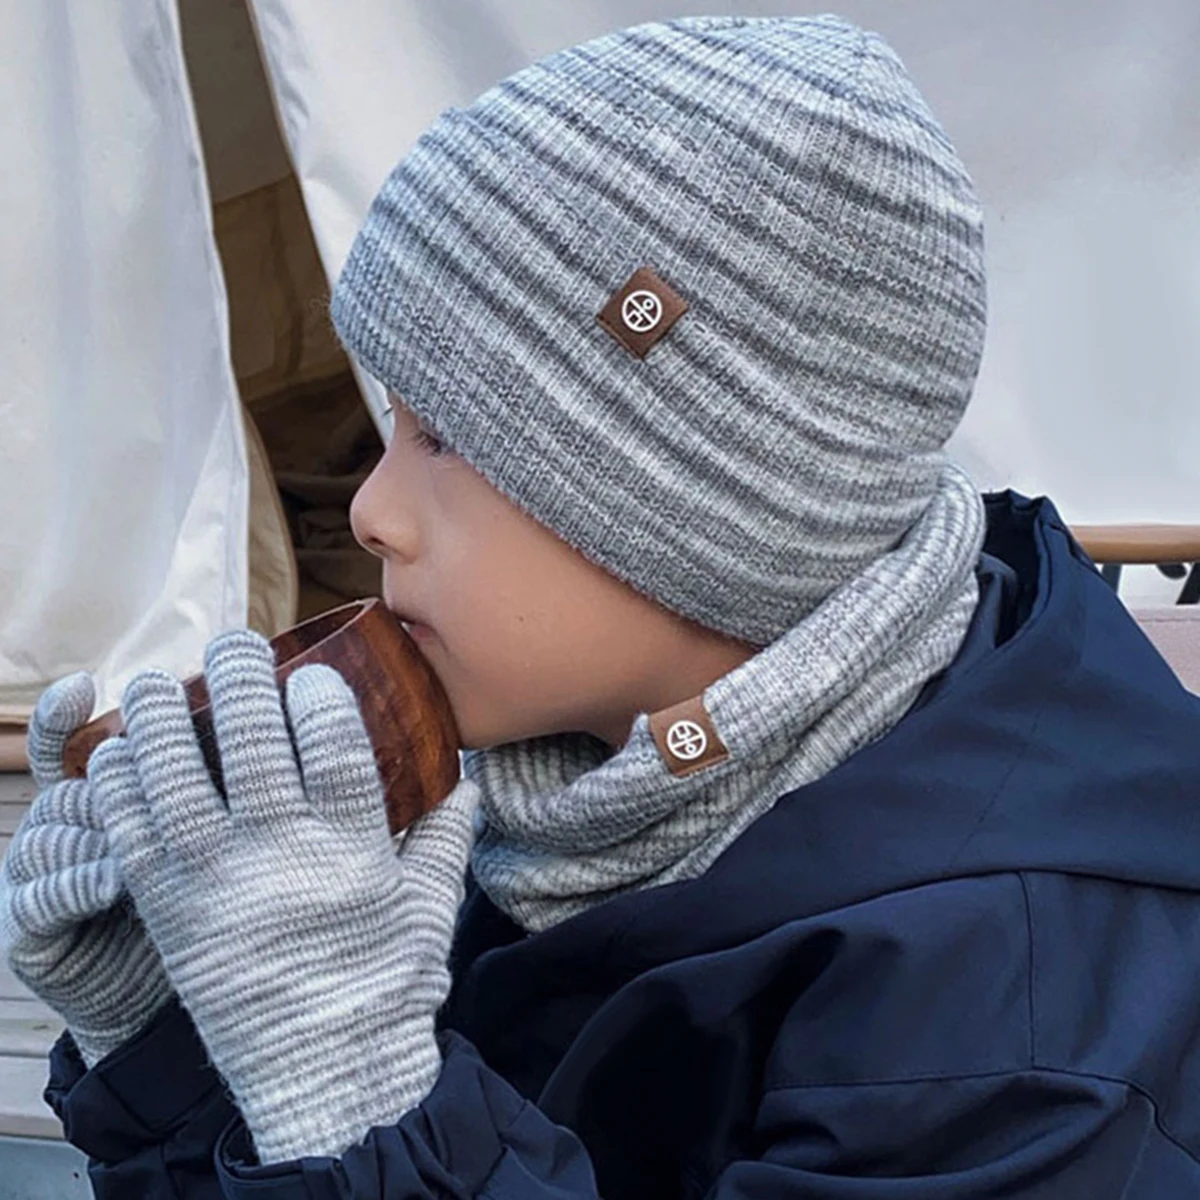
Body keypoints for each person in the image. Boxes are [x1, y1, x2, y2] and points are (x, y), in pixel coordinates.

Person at [4, 12, 1200, 1198]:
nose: (369, 510)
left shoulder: (1008, 1014)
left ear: (706, 498)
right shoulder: (565, 785)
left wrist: (358, 1088)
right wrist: (180, 1043)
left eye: (447, 438)